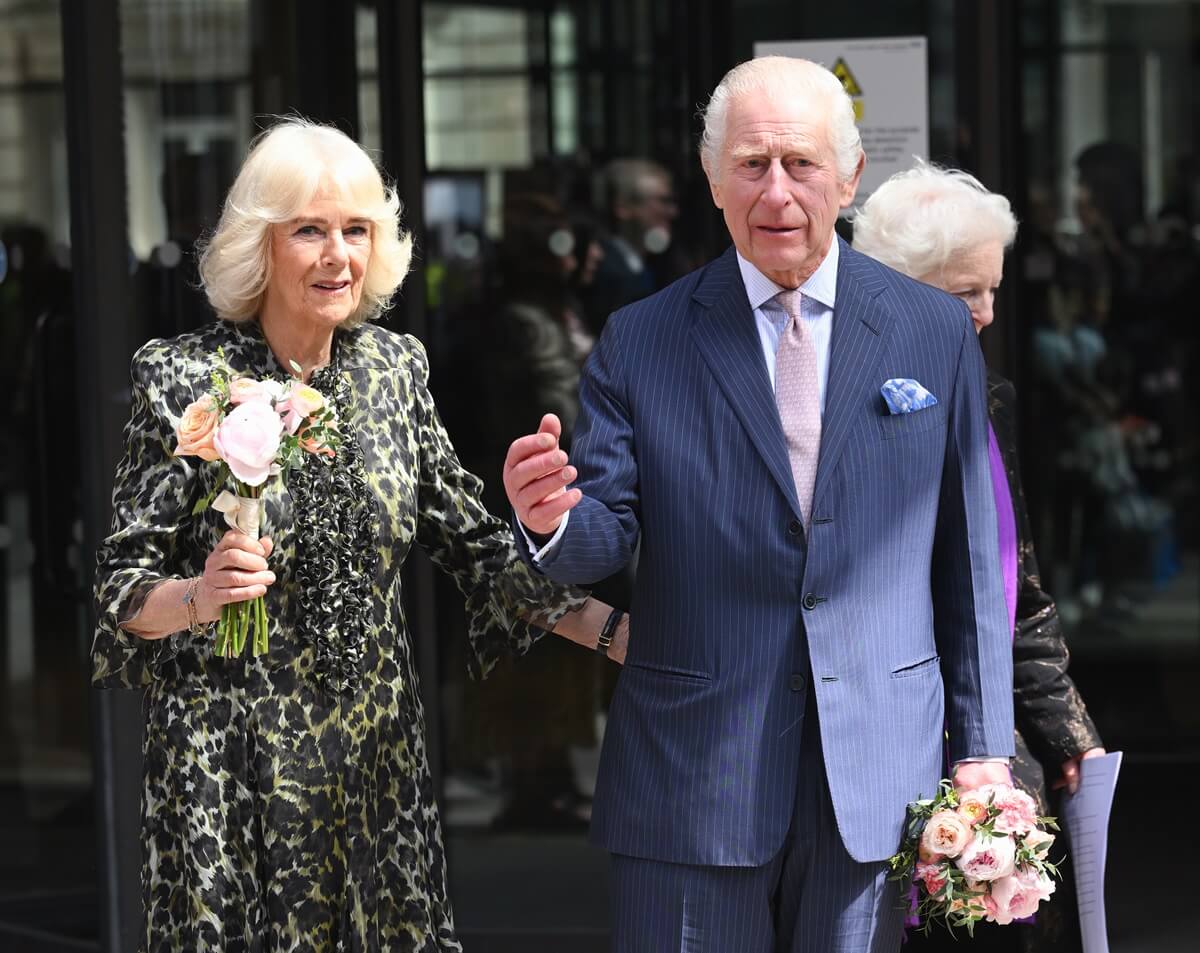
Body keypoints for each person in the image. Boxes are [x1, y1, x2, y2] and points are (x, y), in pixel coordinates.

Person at [503, 56, 1014, 953]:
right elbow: (603, 535)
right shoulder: (644, 338)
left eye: (801, 164)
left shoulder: (930, 332)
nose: (775, 192)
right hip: (695, 775)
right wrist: (549, 519)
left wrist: (983, 750)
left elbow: (968, 565)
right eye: (750, 165)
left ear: (851, 176)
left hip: (875, 772)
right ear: (712, 179)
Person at [91, 118, 628, 953]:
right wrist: (201, 595)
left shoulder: (394, 367)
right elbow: (122, 590)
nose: (337, 253)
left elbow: (476, 544)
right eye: (309, 229)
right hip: (229, 761)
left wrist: (613, 631)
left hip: (375, 755)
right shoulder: (184, 377)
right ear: (260, 245)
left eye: (356, 230)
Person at [852, 160, 1106, 952]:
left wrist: (1066, 729)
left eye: (993, 289)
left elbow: (1014, 585)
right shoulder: (840, 402)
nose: (988, 313)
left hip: (991, 745)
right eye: (966, 293)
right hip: (882, 741)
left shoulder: (990, 397)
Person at [577, 158, 679, 335]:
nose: (672, 212)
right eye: (663, 201)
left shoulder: (652, 265)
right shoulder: (606, 272)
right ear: (622, 207)